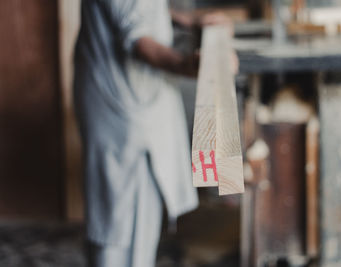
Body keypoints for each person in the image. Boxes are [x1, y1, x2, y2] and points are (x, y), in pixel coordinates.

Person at [73, 0, 231, 266]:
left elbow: (137, 11)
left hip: (125, 98)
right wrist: (188, 67)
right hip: (124, 108)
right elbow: (139, 41)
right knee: (121, 219)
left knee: (127, 215)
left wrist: (185, 20)